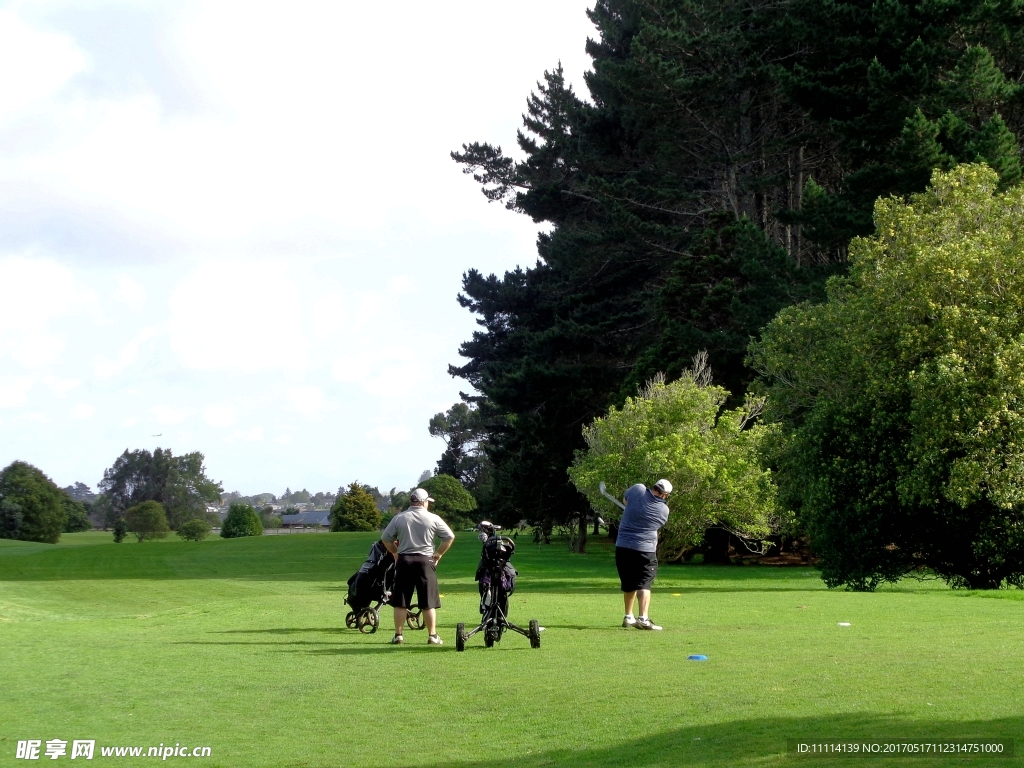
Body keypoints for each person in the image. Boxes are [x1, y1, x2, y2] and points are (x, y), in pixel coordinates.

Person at [380, 488, 455, 645]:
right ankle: (432, 636)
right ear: (424, 502)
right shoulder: (433, 518)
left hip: (405, 561)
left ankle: (398, 635)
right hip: (425, 561)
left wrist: (395, 553)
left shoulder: (399, 518)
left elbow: (386, 538)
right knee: (428, 602)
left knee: (401, 601)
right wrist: (438, 554)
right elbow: (449, 536)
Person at [615, 479, 672, 630]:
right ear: (665, 495)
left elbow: (625, 500)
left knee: (629, 583)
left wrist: (634, 510)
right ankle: (643, 618)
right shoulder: (663, 510)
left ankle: (628, 617)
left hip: (622, 547)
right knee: (644, 583)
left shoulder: (637, 489)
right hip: (645, 550)